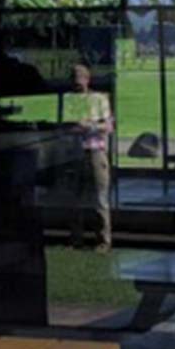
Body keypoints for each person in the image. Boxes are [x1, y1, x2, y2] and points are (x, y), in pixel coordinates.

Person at [66, 61, 113, 251]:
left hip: (95, 151)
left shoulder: (99, 99)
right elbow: (64, 124)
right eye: (74, 81)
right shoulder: (68, 100)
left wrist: (90, 126)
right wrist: (72, 127)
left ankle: (103, 241)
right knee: (75, 198)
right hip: (74, 152)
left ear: (87, 80)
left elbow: (108, 126)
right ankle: (75, 239)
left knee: (99, 198)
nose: (78, 85)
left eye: (81, 80)